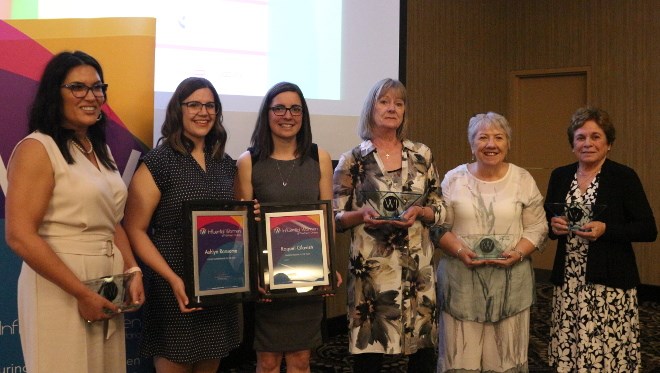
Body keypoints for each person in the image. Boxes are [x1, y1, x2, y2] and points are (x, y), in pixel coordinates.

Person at [4, 50, 144, 373]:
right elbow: (20, 236)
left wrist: (133, 269)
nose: (91, 96)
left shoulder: (100, 150)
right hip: (61, 288)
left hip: (106, 288)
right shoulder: (37, 148)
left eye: (97, 88)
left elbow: (111, 222)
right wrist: (81, 292)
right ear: (55, 93)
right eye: (78, 88)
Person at [123, 77, 239, 373]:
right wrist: (173, 279)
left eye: (210, 105)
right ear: (179, 109)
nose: (203, 112)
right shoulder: (158, 162)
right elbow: (134, 229)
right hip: (172, 287)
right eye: (194, 104)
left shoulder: (225, 163)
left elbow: (232, 224)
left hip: (218, 286)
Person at [332, 78, 444, 373]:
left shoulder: (422, 155)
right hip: (372, 272)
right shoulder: (352, 160)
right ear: (371, 109)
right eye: (384, 101)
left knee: (422, 353)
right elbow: (336, 217)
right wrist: (362, 215)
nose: (392, 108)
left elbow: (441, 209)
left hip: (417, 270)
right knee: (370, 350)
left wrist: (422, 210)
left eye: (399, 103)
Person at [544, 107, 657, 372]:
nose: (588, 143)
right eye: (581, 137)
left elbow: (648, 229)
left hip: (609, 285)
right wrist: (555, 227)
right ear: (572, 143)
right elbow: (550, 221)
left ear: (609, 144)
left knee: (607, 355)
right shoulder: (560, 175)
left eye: (596, 137)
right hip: (569, 283)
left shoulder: (624, 177)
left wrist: (606, 229)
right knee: (572, 353)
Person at [235, 81, 337, 373]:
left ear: (303, 115)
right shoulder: (248, 161)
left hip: (306, 275)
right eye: (279, 108)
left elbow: (326, 216)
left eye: (295, 109)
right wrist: (253, 272)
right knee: (266, 361)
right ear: (267, 114)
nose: (287, 115)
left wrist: (328, 267)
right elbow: (242, 228)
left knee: (301, 360)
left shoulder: (319, 157)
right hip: (265, 280)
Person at [435, 112, 548, 372]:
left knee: (505, 361)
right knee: (459, 359)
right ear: (471, 145)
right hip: (461, 283)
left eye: (498, 137)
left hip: (511, 286)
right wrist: (461, 250)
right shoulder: (454, 179)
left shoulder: (523, 179)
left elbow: (538, 226)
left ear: (508, 143)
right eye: (482, 137)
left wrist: (518, 253)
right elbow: (439, 227)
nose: (491, 144)